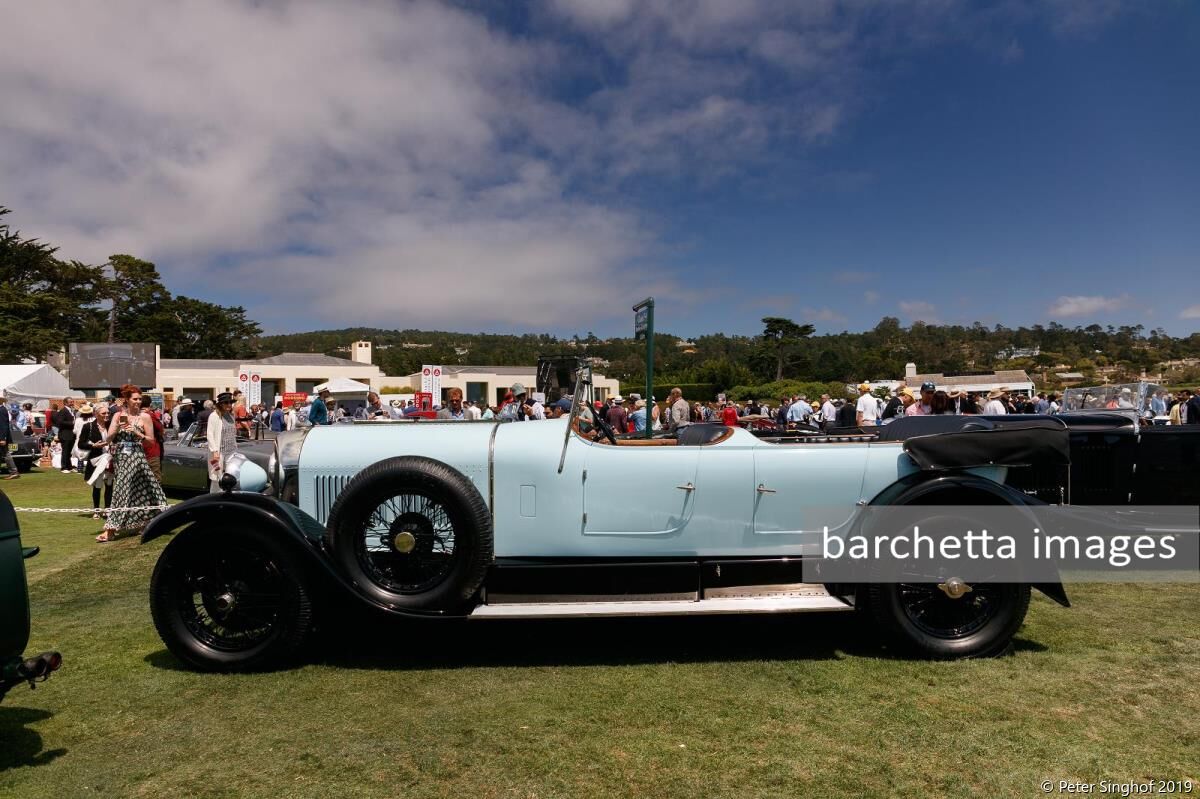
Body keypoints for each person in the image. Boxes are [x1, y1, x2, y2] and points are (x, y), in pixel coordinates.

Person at [99, 384, 168, 542]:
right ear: (127, 400)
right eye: (135, 399)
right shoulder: (118, 416)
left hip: (138, 456)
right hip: (122, 458)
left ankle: (142, 524)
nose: (138, 402)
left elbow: (151, 441)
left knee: (143, 489)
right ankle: (113, 528)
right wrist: (114, 429)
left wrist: (137, 433)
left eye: (139, 399)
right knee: (122, 490)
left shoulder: (145, 417)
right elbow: (109, 438)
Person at [79, 403, 113, 519]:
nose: (107, 415)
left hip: (110, 459)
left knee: (109, 485)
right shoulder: (88, 426)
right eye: (104, 413)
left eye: (108, 413)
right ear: (96, 414)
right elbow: (80, 444)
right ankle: (97, 510)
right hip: (96, 460)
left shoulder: (111, 425)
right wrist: (94, 446)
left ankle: (108, 509)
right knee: (97, 486)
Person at [207, 392, 240, 493]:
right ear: (220, 404)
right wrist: (214, 451)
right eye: (226, 403)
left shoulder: (231, 416)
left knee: (232, 476)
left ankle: (228, 499)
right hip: (218, 453)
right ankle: (214, 499)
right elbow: (210, 434)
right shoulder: (214, 416)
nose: (229, 405)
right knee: (217, 477)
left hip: (232, 452)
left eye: (230, 402)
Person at [52, 396, 78, 472]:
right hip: (65, 434)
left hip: (71, 434)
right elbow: (59, 422)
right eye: (70, 402)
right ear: (65, 403)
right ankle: (64, 467)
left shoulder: (72, 411)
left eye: (72, 401)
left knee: (69, 451)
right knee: (65, 451)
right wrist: (72, 423)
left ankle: (69, 466)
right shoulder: (63, 411)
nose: (72, 403)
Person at [0, 390, 17, 479]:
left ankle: (14, 472)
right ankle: (13, 471)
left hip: (1, 437)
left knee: (6, 454)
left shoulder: (2, 410)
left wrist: (3, 438)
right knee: (5, 454)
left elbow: (3, 425)